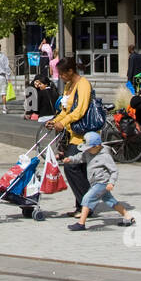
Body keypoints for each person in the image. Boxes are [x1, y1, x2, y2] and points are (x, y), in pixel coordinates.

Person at [45, 57, 95, 216]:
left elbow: (80, 110)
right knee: (78, 169)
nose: (60, 76)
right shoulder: (69, 85)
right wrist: (55, 121)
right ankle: (82, 206)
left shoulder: (83, 84)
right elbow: (65, 110)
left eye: (61, 73)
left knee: (71, 166)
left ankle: (87, 205)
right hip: (73, 133)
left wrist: (64, 122)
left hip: (84, 134)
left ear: (70, 71)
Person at [64, 131, 136, 231]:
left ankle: (81, 223)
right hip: (95, 183)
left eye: (89, 148)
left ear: (97, 146)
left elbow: (114, 170)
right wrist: (70, 159)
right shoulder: (88, 152)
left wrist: (111, 182)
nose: (87, 150)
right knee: (111, 201)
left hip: (102, 182)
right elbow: (80, 157)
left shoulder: (105, 156)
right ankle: (129, 217)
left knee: (87, 198)